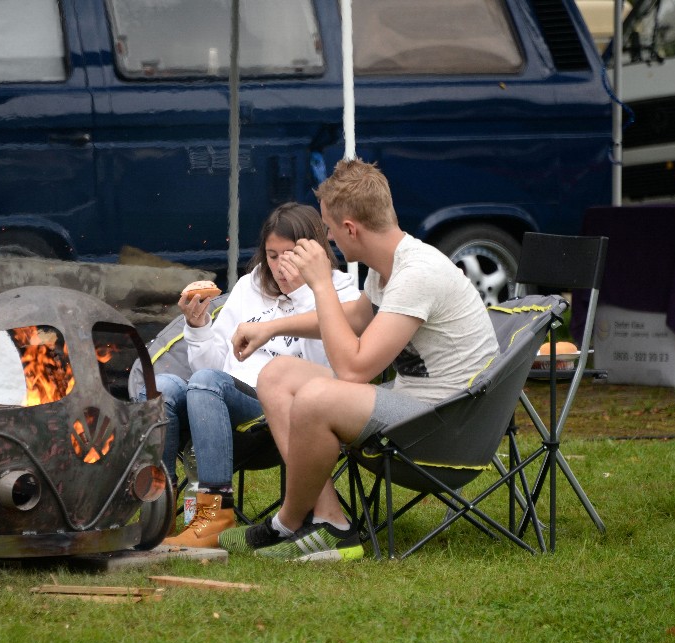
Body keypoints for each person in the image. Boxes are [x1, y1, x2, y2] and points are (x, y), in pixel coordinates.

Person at [220, 158, 499, 561]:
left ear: (351, 229)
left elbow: (353, 369)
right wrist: (271, 328)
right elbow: (353, 319)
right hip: (416, 405)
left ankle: (286, 523)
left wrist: (320, 283)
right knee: (277, 374)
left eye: (330, 231)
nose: (330, 240)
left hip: (449, 425)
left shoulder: (417, 274)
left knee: (317, 397)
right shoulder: (386, 271)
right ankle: (331, 522)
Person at [141, 202, 360, 548]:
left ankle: (215, 513)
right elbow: (212, 367)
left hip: (281, 411)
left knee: (207, 384)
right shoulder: (250, 286)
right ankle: (156, 512)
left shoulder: (342, 293)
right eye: (272, 256)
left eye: (291, 255)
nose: (280, 267)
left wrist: (306, 293)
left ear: (314, 251)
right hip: (219, 399)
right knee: (164, 388)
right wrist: (198, 328)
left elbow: (330, 371)